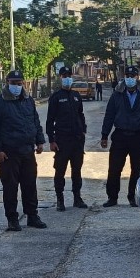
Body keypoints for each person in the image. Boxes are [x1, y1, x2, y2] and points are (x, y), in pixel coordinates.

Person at [0, 69, 47, 231]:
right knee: (10, 188)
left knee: (30, 185)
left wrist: (40, 141)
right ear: (7, 83)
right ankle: (12, 219)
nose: (17, 86)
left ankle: (32, 216)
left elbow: (35, 122)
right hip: (8, 153)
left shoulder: (28, 100)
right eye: (14, 83)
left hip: (27, 151)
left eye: (19, 83)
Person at [100, 65, 140, 207]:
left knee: (137, 169)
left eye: (132, 76)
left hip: (139, 136)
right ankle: (112, 197)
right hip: (120, 136)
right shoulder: (117, 94)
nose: (130, 78)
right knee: (114, 168)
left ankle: (133, 197)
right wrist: (104, 135)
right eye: (127, 76)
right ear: (124, 77)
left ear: (137, 77)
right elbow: (109, 115)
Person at [47, 67, 88, 211]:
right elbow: (50, 120)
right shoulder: (56, 97)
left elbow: (81, 115)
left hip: (77, 141)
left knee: (77, 171)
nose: (67, 78)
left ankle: (77, 198)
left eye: (69, 75)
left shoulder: (76, 95)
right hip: (62, 141)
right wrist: (51, 140)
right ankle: (60, 199)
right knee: (60, 171)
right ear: (60, 77)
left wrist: (83, 131)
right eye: (64, 75)